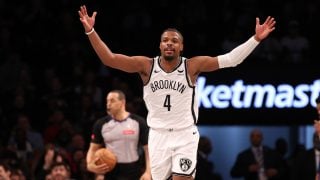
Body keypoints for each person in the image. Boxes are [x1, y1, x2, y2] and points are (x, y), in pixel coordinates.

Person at [78, 5, 276, 180]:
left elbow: (231, 59)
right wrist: (90, 31)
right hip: (157, 135)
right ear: (160, 45)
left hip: (185, 135)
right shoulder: (146, 66)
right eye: (165, 40)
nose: (169, 43)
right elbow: (110, 59)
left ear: (181, 47)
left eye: (174, 40)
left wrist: (256, 39)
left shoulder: (192, 66)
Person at [86, 90, 151, 180]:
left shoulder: (138, 122)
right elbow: (93, 149)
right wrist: (90, 165)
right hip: (110, 171)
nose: (108, 104)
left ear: (122, 102)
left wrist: (148, 172)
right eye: (107, 101)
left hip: (133, 170)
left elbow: (148, 150)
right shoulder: (101, 124)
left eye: (112, 100)